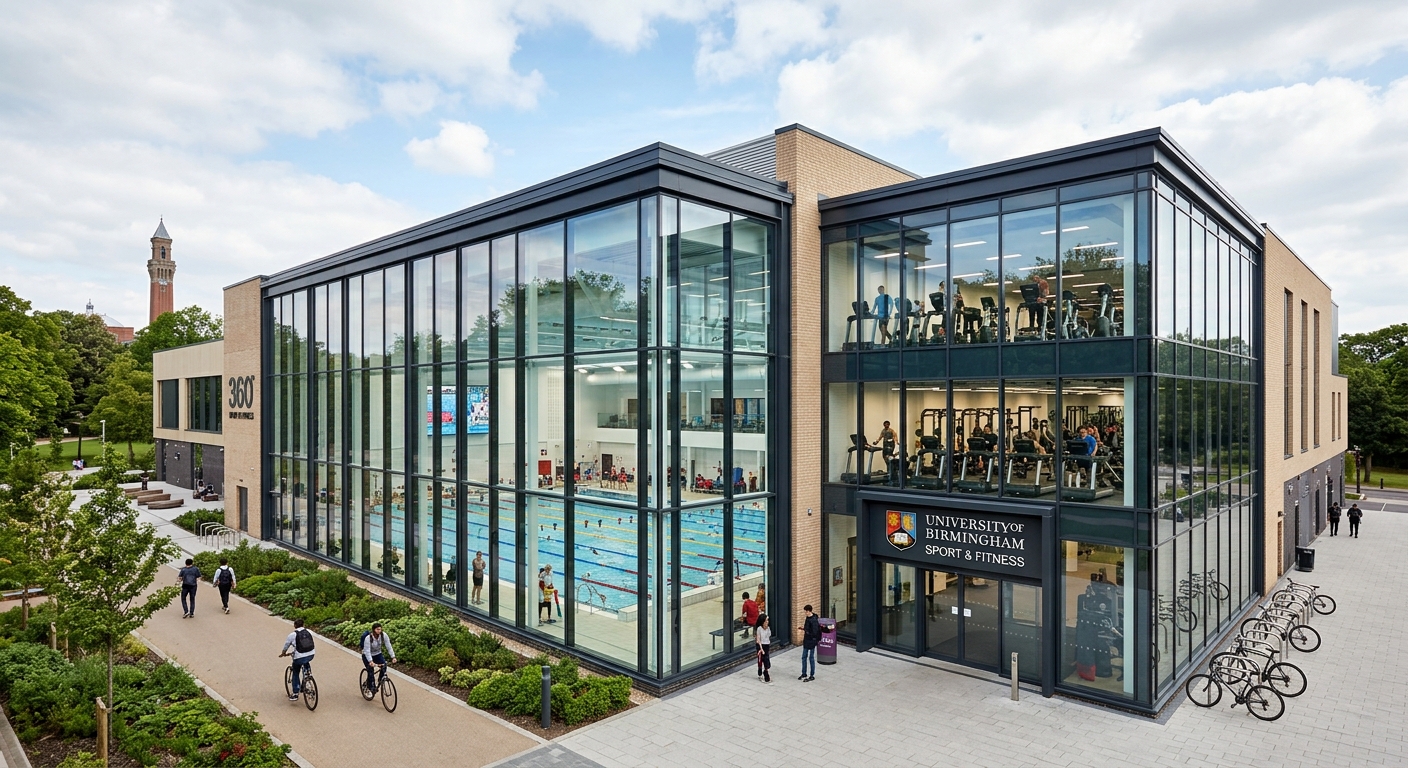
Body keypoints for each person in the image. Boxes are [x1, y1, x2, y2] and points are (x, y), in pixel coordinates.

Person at [280, 618, 315, 701]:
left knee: (296, 671)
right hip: (311, 654)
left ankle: (295, 693)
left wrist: (283, 653)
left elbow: (286, 645)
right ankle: (308, 674)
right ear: (303, 625)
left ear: (294, 625)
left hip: (299, 656)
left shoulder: (292, 635)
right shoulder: (309, 632)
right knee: (306, 661)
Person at [359, 622, 397, 694]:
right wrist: (370, 661)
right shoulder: (368, 638)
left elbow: (388, 646)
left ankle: (380, 679)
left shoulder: (383, 635)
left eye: (380, 629)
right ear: (373, 630)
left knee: (384, 665)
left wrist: (393, 657)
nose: (379, 631)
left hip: (377, 654)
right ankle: (370, 687)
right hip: (367, 655)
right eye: (377, 629)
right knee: (370, 669)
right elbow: (367, 651)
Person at [798, 604, 820, 682]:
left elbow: (814, 631)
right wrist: (804, 629)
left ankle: (812, 675)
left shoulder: (814, 620)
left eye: (805, 612)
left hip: (811, 641)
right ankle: (804, 673)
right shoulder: (808, 618)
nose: (805, 613)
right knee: (804, 657)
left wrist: (807, 631)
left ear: (808, 611)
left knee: (811, 658)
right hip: (807, 640)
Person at [754, 614, 773, 684]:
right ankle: (761, 674)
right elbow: (758, 639)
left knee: (766, 659)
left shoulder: (768, 628)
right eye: (766, 620)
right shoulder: (759, 629)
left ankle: (766, 671)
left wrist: (767, 628)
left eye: (767, 620)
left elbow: (769, 636)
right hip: (760, 645)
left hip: (766, 644)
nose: (767, 622)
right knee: (761, 659)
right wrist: (761, 649)